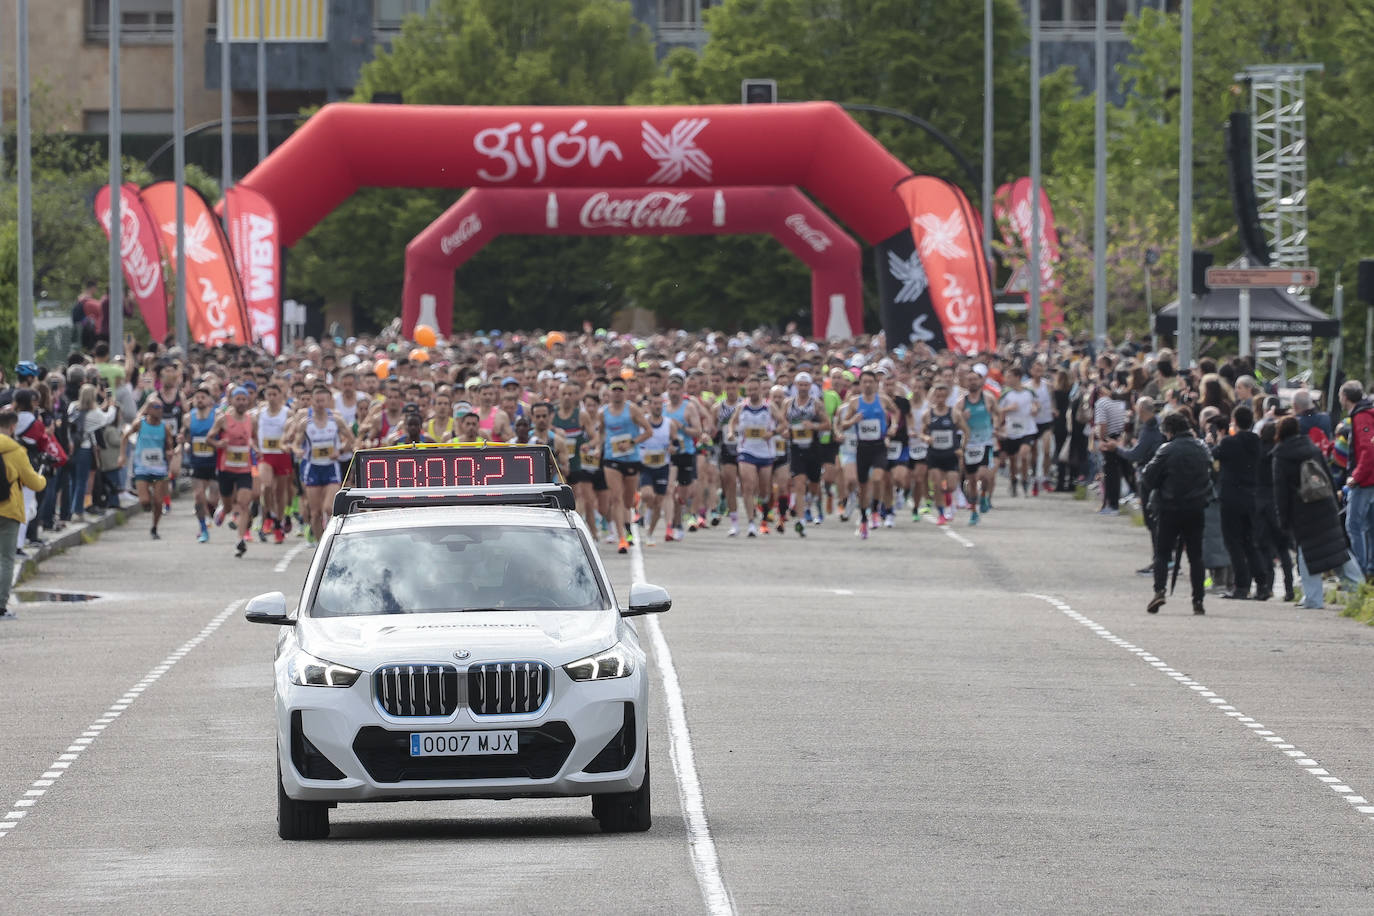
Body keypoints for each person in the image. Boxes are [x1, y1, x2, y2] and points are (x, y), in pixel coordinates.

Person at [1272, 415, 1364, 608]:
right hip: (1325, 504)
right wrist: (1334, 503)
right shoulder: (1313, 448)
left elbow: (1281, 491)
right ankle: (1359, 589)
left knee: (1307, 553)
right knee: (1337, 548)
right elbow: (1328, 476)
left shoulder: (1281, 456)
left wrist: (1283, 519)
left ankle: (1313, 598)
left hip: (1302, 510)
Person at [1142, 411, 1214, 615]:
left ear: (1169, 431)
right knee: (1195, 556)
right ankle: (1198, 599)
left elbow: (1148, 476)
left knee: (1163, 553)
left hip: (1169, 507)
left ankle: (1160, 590)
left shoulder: (1167, 450)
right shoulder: (1202, 448)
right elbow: (1211, 473)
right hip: (1196, 507)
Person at [1211, 405, 1272, 600]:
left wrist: (1217, 440)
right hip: (1250, 496)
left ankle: (1242, 585)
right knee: (1248, 542)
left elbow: (1214, 455)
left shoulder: (1229, 442)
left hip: (1230, 497)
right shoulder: (1256, 442)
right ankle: (1262, 584)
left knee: (1233, 542)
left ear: (1234, 422)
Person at [1110, 397, 1164, 575]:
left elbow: (1136, 454)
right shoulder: (1159, 424)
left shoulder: (1149, 429)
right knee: (1157, 520)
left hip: (1149, 476)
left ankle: (1160, 560)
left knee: (1152, 521)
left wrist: (1116, 448)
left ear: (1141, 411)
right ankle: (1162, 559)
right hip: (1158, 476)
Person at [1, 408, 47, 617]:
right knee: (6, 559)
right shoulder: (16, 451)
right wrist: (43, 476)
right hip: (9, 510)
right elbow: (34, 483)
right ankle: (1, 605)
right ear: (12, 427)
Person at [121, 398, 172, 540]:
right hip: (142, 468)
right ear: (148, 409)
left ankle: (154, 527)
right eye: (156, 407)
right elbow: (125, 437)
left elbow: (169, 445)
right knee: (144, 502)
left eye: (161, 407)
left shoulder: (165, 427)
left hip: (159, 469)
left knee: (158, 502)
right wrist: (122, 456)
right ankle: (147, 499)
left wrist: (170, 452)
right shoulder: (140, 424)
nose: (159, 410)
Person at [1339, 380, 1374, 577]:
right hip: (1370, 479)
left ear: (1345, 397)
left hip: (1364, 481)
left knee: (1353, 525)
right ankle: (1370, 569)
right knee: (1370, 525)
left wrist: (1355, 477)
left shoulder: (1360, 417)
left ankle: (1361, 571)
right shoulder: (1367, 413)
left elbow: (1368, 451)